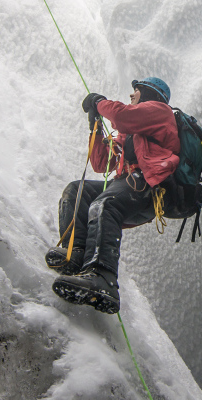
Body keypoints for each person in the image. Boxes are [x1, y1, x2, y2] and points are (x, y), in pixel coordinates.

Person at [46, 76, 180, 314]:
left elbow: (121, 116)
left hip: (147, 187)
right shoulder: (134, 132)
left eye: (136, 91)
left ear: (150, 94)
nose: (132, 95)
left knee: (105, 203)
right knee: (77, 191)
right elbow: (101, 163)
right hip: (130, 184)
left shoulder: (160, 112)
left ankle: (102, 278)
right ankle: (77, 254)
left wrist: (100, 103)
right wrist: (95, 127)